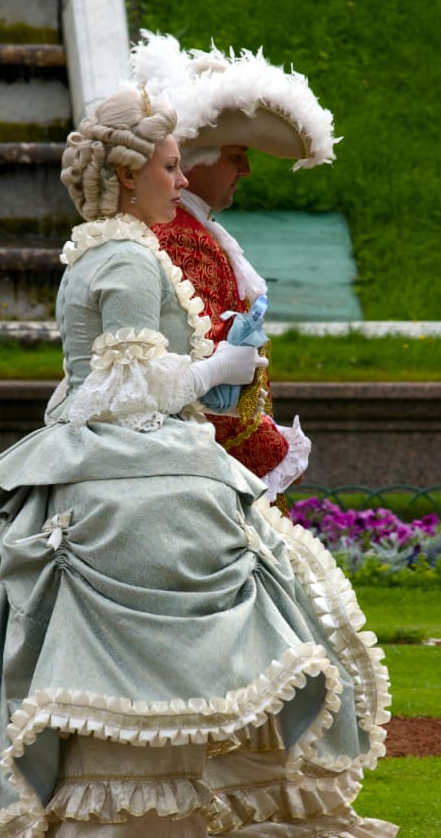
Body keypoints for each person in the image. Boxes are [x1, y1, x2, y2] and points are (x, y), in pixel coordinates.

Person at [0, 87, 396, 838]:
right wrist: (215, 370)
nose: (180, 176)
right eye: (168, 165)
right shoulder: (126, 261)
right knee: (185, 665)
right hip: (133, 472)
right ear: (130, 178)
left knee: (178, 663)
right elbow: (123, 388)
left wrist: (212, 370)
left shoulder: (107, 247)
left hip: (124, 467)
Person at [131, 32, 336, 507]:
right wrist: (271, 451)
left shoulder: (191, 229)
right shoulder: (184, 238)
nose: (245, 171)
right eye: (236, 156)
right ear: (198, 162)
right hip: (211, 465)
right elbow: (205, 368)